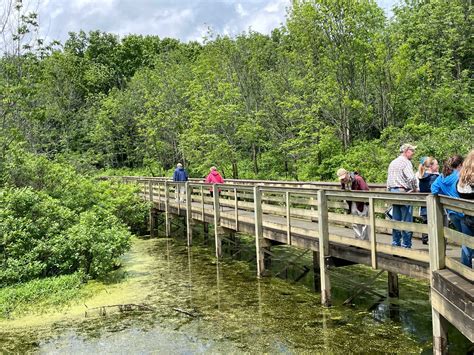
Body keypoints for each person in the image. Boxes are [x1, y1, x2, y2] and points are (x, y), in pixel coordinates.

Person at [386, 143, 418, 248]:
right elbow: (412, 178)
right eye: (412, 150)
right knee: (406, 221)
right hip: (403, 193)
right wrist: (414, 188)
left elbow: (388, 180)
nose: (413, 153)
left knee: (396, 220)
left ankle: (395, 244)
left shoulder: (393, 162)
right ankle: (406, 246)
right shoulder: (406, 162)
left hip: (393, 192)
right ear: (406, 151)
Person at [337, 168, 370, 240]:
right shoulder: (343, 182)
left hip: (362, 202)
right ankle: (358, 240)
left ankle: (364, 241)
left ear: (347, 174)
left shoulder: (358, 179)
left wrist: (365, 202)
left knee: (364, 222)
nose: (343, 180)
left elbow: (366, 190)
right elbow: (343, 190)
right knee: (355, 222)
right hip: (352, 203)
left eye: (344, 178)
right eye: (341, 179)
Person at [416, 156, 440, 244]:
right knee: (433, 222)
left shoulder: (422, 176)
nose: (438, 166)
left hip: (424, 203)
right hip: (433, 203)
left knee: (426, 221)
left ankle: (425, 239)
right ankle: (433, 240)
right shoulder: (434, 177)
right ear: (431, 166)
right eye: (437, 164)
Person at [456, 150, 473, 268]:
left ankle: (465, 271)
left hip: (467, 216)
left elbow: (460, 192)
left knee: (466, 245)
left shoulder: (462, 179)